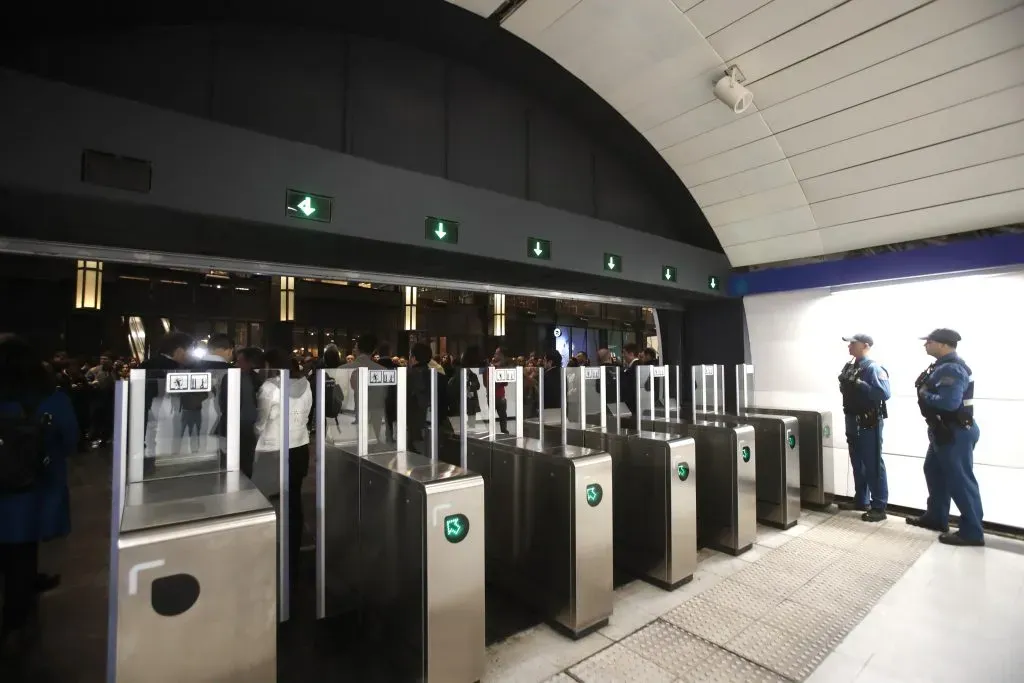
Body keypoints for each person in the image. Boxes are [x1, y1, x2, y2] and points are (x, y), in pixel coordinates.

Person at [0, 335, 78, 657]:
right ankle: (16, 619)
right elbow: (71, 439)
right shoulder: (51, 398)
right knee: (20, 547)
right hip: (32, 487)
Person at [909, 329, 984, 546]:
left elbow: (949, 402)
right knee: (933, 470)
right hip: (943, 430)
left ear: (942, 345)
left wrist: (925, 394)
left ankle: (972, 532)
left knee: (960, 480)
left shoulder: (952, 367)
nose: (925, 345)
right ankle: (936, 518)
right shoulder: (941, 366)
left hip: (955, 431)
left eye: (929, 342)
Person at [252, 350, 313, 574]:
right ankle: (293, 549)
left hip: (272, 448)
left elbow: (261, 421)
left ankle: (266, 550)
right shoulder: (306, 385)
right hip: (299, 447)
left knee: (265, 500)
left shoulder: (270, 388)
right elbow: (307, 415)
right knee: (293, 500)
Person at [837, 334, 891, 522]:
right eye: (849, 344)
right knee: (857, 463)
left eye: (853, 343)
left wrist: (860, 384)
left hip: (868, 422)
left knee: (873, 463)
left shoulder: (873, 368)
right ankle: (861, 499)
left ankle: (879, 506)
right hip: (852, 419)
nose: (850, 346)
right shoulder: (851, 366)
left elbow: (884, 393)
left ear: (865, 346)